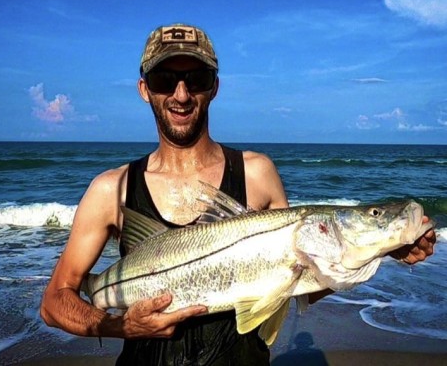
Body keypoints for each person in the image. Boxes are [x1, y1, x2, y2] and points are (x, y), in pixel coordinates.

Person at [40, 23, 436, 365]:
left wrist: (382, 249)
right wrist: (119, 325)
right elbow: (55, 302)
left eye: (196, 78)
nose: (181, 94)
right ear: (145, 89)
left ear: (214, 87)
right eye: (165, 80)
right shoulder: (112, 189)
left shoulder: (257, 173)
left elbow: (299, 289)